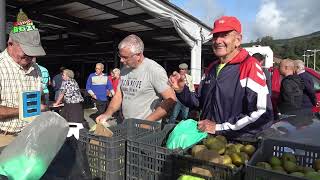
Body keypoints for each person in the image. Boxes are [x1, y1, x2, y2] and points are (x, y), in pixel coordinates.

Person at [169, 16, 273, 138]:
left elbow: (262, 114)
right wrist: (181, 90)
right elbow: (198, 103)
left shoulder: (249, 66)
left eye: (224, 35)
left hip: (235, 145)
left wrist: (219, 128)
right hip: (206, 141)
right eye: (215, 36)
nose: (218, 41)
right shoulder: (211, 68)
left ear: (238, 40)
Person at [96, 34, 176, 124]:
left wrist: (147, 122)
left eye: (125, 57)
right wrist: (107, 113)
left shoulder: (154, 70)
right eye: (120, 56)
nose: (121, 60)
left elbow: (170, 99)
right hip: (125, 124)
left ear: (138, 55)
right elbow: (118, 95)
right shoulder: (124, 69)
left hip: (146, 128)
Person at [0, 10, 46, 147]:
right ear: (10, 44)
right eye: (26, 52)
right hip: (4, 139)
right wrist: (24, 109)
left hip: (32, 136)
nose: (30, 57)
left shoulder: (35, 68)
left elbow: (40, 97)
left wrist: (42, 106)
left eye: (33, 54)